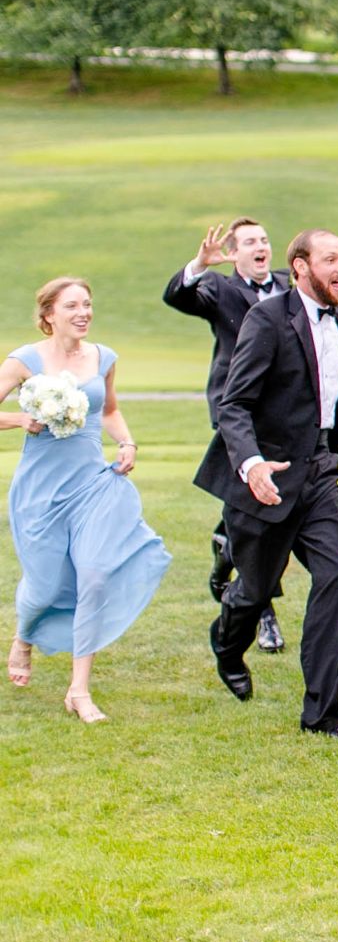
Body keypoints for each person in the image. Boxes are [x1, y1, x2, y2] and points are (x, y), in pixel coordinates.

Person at [163, 218, 338, 653]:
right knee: (256, 515)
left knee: (273, 527)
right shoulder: (220, 288)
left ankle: (234, 555)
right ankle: (254, 595)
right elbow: (178, 296)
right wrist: (199, 264)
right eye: (250, 242)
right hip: (240, 411)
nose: (260, 247)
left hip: (295, 423)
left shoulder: (288, 283)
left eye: (264, 240)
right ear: (233, 253)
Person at [196, 229, 338, 739]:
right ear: (300, 267)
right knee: (255, 590)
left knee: (337, 578)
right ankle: (227, 642)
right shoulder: (267, 318)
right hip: (269, 476)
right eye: (332, 258)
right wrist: (253, 464)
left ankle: (322, 715)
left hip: (322, 472)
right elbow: (235, 404)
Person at [3, 278, 170, 723]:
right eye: (72, 305)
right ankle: (24, 637)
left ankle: (79, 690)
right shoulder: (24, 361)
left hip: (93, 483)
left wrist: (128, 443)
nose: (83, 312)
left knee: (94, 576)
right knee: (42, 587)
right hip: (41, 490)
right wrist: (21, 418)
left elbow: (110, 410)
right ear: (49, 315)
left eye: (88, 304)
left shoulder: (103, 357)